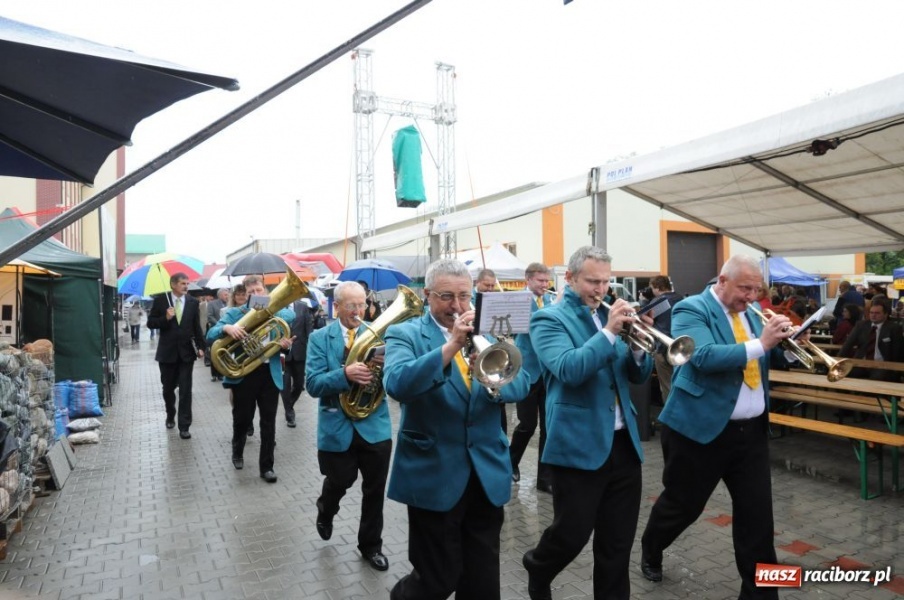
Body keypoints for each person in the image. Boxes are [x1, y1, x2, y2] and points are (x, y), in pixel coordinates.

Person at [640, 255, 797, 600]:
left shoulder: (753, 314)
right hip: (699, 430)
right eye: (745, 288)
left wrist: (788, 341)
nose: (752, 296)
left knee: (758, 522)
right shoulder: (691, 309)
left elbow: (766, 356)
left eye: (757, 289)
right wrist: (764, 342)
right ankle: (651, 546)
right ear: (722, 281)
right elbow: (705, 356)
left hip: (750, 432)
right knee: (683, 506)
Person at [383, 259, 530, 600]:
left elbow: (521, 387)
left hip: (486, 475)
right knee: (437, 579)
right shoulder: (404, 333)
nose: (458, 306)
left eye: (465, 296)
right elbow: (398, 384)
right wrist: (450, 346)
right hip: (433, 472)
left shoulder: (490, 333)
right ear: (427, 295)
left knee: (482, 582)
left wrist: (494, 382)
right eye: (446, 296)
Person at [521, 247, 653, 600]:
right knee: (572, 535)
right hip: (578, 444)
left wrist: (639, 347)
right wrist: (610, 333)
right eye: (593, 281)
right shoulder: (548, 319)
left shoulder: (610, 314)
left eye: (607, 281)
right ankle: (539, 565)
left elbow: (635, 375)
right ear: (570, 278)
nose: (601, 288)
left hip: (624, 444)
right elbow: (569, 369)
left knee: (617, 546)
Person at [305, 281, 393, 571]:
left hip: (374, 425)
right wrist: (344, 374)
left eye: (362, 304)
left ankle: (371, 546)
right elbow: (313, 384)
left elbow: (393, 378)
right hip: (337, 426)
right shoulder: (320, 337)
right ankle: (326, 508)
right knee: (340, 480)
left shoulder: (380, 335)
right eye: (351, 305)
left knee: (374, 490)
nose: (359, 311)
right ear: (337, 307)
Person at [207, 275, 294, 482]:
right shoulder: (234, 313)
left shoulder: (277, 313)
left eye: (259, 291)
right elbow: (211, 334)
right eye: (251, 293)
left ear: (265, 291)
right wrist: (226, 328)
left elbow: (290, 317)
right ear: (244, 295)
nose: (256, 295)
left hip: (269, 373)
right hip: (244, 373)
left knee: (268, 422)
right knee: (242, 418)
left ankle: (267, 467)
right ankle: (237, 451)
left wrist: (284, 345)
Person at [509, 262, 557, 491]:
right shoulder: (519, 301)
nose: (545, 285)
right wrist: (553, 310)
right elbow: (528, 327)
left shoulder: (550, 301)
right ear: (528, 280)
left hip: (547, 372)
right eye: (540, 281)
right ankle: (511, 461)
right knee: (527, 425)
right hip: (527, 371)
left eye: (547, 281)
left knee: (548, 427)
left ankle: (544, 479)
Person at [147, 273, 206, 439]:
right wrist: (165, 318)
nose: (186, 286)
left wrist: (201, 346)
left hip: (187, 353)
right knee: (168, 388)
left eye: (187, 283)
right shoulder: (161, 301)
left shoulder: (193, 302)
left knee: (186, 390)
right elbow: (150, 323)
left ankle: (184, 425)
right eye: (182, 283)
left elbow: (196, 326)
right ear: (173, 284)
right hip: (167, 353)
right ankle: (170, 413)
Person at [472, 268, 509, 433]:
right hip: (475, 357)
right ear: (477, 283)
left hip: (494, 354)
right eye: (486, 285)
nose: (490, 289)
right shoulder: (469, 301)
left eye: (492, 285)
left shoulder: (496, 300)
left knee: (501, 418)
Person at [839, 297, 904, 381]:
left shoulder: (894, 328)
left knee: (877, 378)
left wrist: (896, 371)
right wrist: (838, 361)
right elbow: (848, 344)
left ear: (885, 314)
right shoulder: (861, 325)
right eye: (871, 312)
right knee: (843, 375)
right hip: (861, 363)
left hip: (883, 365)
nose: (873, 315)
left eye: (877, 313)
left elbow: (898, 352)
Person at [281, 291, 318, 428]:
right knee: (284, 386)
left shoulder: (303, 307)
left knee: (299, 384)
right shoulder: (276, 307)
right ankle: (289, 413)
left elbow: (309, 328)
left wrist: (312, 349)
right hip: (281, 353)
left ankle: (289, 404)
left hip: (299, 351)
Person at [649, 275, 681, 401]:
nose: (652, 291)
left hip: (663, 348)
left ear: (658, 287)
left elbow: (646, 321)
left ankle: (670, 418)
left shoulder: (658, 302)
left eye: (652, 288)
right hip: (680, 347)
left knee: (667, 386)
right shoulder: (680, 298)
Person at [208, 288, 230, 381]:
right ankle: (214, 374)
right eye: (225, 294)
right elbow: (209, 316)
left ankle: (222, 373)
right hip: (216, 331)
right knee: (215, 352)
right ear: (220, 295)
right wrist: (219, 325)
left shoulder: (230, 304)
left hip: (228, 332)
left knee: (224, 353)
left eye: (228, 294)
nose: (227, 296)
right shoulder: (212, 304)